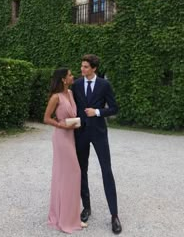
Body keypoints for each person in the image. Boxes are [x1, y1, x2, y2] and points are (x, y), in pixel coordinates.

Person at [72, 54, 122, 235]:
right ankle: (86, 207)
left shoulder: (104, 85)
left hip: (99, 133)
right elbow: (73, 106)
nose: (82, 69)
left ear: (93, 68)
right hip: (81, 133)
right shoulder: (76, 84)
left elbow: (114, 108)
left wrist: (98, 112)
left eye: (85, 67)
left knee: (106, 171)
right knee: (81, 170)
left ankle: (114, 215)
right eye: (82, 66)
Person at [44, 68, 87, 233]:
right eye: (70, 75)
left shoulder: (70, 93)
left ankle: (70, 216)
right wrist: (59, 124)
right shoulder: (56, 97)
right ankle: (65, 219)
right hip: (61, 138)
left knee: (67, 176)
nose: (72, 76)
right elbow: (46, 118)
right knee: (73, 173)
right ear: (63, 79)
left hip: (71, 136)